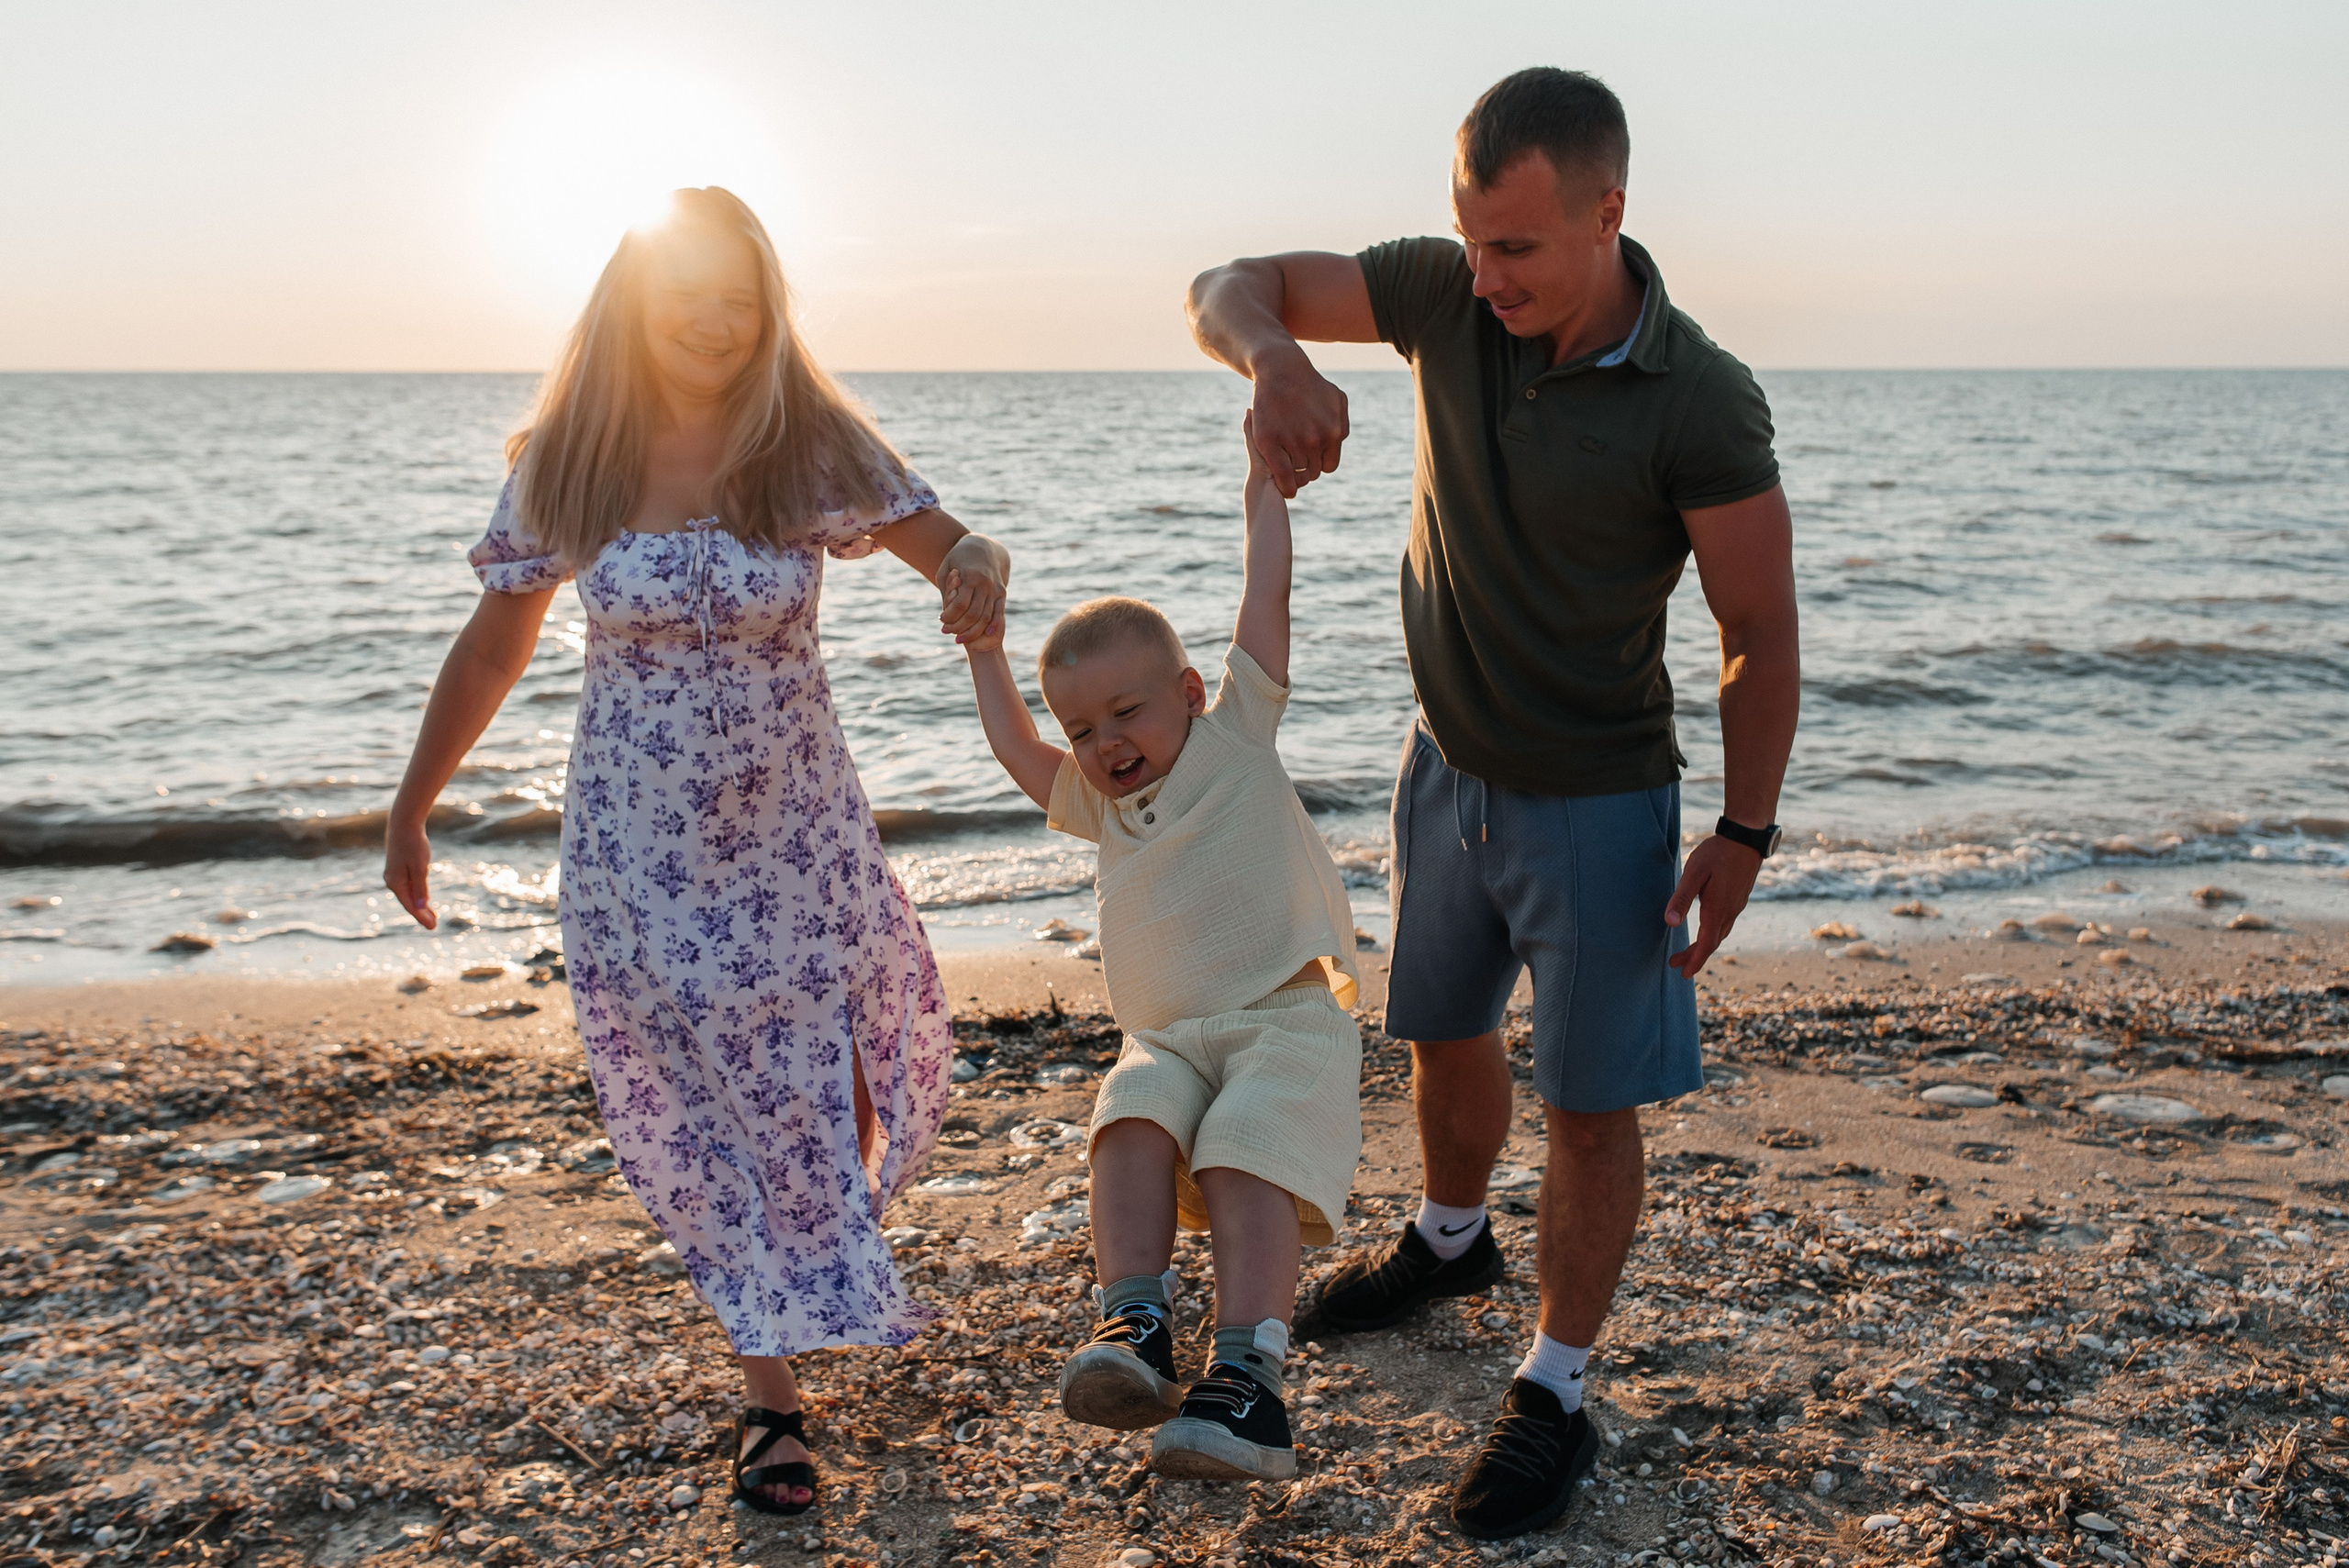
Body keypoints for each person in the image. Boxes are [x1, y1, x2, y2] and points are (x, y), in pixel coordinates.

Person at [1187, 68, 1801, 1539]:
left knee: (1590, 1106)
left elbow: (1757, 631)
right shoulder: (1444, 296)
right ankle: (1451, 1242)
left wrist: (1745, 830)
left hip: (1599, 799)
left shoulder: (1701, 399)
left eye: (1517, 246)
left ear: (1610, 213)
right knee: (1439, 1028)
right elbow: (1227, 279)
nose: (1485, 276)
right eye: (1471, 240)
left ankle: (1557, 1385)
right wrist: (1272, 355)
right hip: (1443, 762)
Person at [383, 187, 1010, 1518]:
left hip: (800, 831)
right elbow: (497, 643)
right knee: (723, 1106)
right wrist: (412, 803)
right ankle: (771, 1398)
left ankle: (811, 1262)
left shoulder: (811, 444)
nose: (716, 322)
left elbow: (952, 548)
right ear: (636, 303)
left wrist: (982, 573)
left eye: (740, 296)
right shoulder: (575, 458)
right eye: (688, 296)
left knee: (829, 1074)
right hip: (642, 845)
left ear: (768, 307)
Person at [958, 417, 1363, 1481]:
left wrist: (1260, 487)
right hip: (1170, 1037)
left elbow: (1262, 597)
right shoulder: (1100, 806)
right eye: (1084, 729)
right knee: (1124, 1123)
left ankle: (1250, 1379)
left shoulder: (1236, 733)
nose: (1106, 745)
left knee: (1241, 1150)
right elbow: (1013, 746)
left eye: (1126, 712)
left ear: (1186, 692)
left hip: (1283, 1016)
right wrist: (985, 651)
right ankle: (1134, 1324)